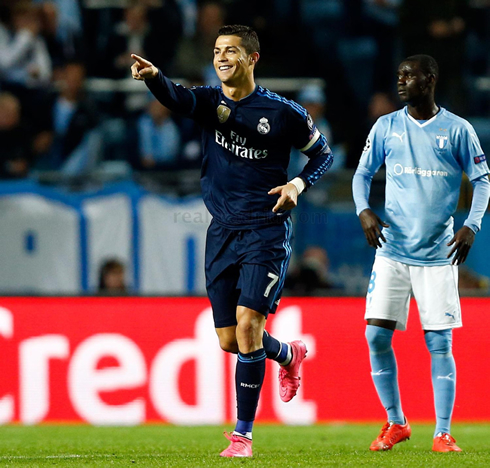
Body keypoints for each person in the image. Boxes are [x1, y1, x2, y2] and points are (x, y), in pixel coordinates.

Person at [131, 24, 334, 457]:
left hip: (266, 229)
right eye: (218, 50)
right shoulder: (209, 101)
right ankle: (288, 354)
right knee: (230, 340)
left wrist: (297, 184)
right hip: (221, 231)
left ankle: (243, 436)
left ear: (252, 59)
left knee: (248, 325)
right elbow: (178, 98)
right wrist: (155, 79)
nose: (222, 57)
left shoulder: (283, 112)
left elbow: (323, 154)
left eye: (232, 51)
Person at [352, 54, 490, 452]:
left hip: (437, 254)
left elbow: (482, 180)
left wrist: (471, 225)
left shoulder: (458, 130)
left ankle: (443, 432)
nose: (401, 82)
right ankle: (396, 422)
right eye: (399, 75)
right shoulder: (386, 127)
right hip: (392, 251)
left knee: (439, 344)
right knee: (375, 336)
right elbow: (361, 173)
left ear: (430, 80)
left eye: (409, 76)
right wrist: (364, 209)